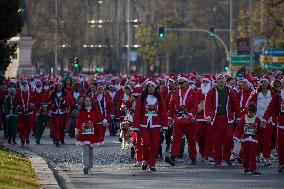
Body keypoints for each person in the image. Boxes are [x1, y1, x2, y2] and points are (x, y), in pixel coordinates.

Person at [204, 73, 241, 166]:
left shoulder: (229, 90)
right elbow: (207, 104)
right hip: (216, 119)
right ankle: (217, 159)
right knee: (216, 140)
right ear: (216, 80)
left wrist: (239, 116)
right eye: (219, 78)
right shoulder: (212, 90)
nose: (221, 80)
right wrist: (207, 115)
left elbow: (235, 104)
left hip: (228, 118)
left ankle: (227, 158)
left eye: (222, 79)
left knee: (228, 139)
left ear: (225, 80)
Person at [132, 80, 168, 171]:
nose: (151, 88)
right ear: (146, 88)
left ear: (155, 87)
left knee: (154, 145)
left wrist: (165, 125)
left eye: (153, 86)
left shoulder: (159, 98)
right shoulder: (142, 97)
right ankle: (145, 160)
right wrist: (135, 126)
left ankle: (152, 164)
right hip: (144, 124)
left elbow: (163, 112)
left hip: (156, 125)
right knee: (146, 143)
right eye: (149, 86)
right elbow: (137, 112)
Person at [164, 74, 199, 166]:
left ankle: (193, 157)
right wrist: (170, 118)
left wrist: (190, 115)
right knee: (175, 139)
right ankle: (173, 157)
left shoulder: (193, 92)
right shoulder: (174, 93)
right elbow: (171, 107)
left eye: (181, 82)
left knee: (191, 139)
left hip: (189, 120)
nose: (179, 84)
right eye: (178, 82)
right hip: (178, 120)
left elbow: (195, 106)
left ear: (186, 82)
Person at [75, 96, 105, 174]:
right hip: (83, 133)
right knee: (85, 149)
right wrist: (77, 130)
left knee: (90, 150)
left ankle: (90, 165)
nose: (88, 102)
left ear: (91, 102)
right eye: (86, 101)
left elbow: (100, 117)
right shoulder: (81, 111)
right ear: (84, 102)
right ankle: (86, 165)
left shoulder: (95, 110)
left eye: (89, 101)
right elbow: (78, 121)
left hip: (92, 133)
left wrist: (103, 120)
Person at [234, 102, 262, 176]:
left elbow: (260, 130)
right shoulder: (243, 119)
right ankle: (246, 168)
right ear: (247, 111)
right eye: (249, 112)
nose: (251, 114)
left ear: (255, 112)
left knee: (252, 154)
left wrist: (260, 138)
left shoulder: (257, 120)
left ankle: (252, 169)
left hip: (254, 140)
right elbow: (239, 128)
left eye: (253, 112)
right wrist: (236, 136)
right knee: (245, 154)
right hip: (245, 140)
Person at [47, 82, 71, 147]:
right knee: (56, 126)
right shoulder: (52, 93)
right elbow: (48, 101)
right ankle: (56, 139)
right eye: (58, 86)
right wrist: (51, 105)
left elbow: (68, 102)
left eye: (60, 86)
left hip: (62, 112)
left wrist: (63, 101)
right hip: (55, 112)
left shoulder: (65, 93)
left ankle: (62, 139)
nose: (59, 88)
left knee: (62, 126)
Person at [15, 80, 36, 146]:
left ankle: (27, 137)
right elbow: (14, 102)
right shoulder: (18, 93)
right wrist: (18, 106)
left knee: (29, 127)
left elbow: (36, 101)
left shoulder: (31, 92)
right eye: (23, 84)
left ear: (27, 85)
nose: (24, 85)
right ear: (21, 85)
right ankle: (22, 140)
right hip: (21, 113)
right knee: (22, 127)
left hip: (29, 113)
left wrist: (32, 104)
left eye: (25, 84)